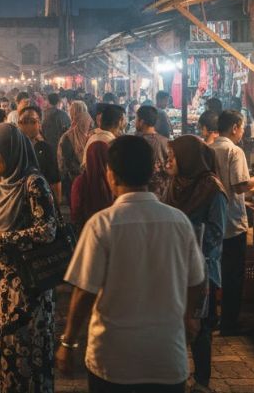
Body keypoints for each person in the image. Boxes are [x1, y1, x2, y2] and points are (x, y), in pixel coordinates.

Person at [57, 135, 206, 392]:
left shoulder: (102, 224)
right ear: (150, 172)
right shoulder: (179, 222)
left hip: (114, 361)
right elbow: (197, 281)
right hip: (166, 358)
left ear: (111, 175)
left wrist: (68, 342)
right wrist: (187, 317)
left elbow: (84, 291)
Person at [0, 123, 58, 392]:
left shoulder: (33, 183)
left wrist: (4, 238)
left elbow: (48, 230)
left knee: (21, 351)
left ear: (12, 151)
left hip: (24, 284)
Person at [163, 135, 227, 392]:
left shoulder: (213, 189)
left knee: (201, 330)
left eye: (173, 156)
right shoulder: (174, 184)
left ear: (188, 158)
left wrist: (186, 243)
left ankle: (202, 381)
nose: (168, 161)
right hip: (172, 267)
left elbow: (215, 234)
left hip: (203, 269)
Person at [211, 110, 254, 335]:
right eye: (243, 126)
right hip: (232, 221)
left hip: (213, 220)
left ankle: (212, 317)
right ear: (235, 127)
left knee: (214, 271)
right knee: (233, 274)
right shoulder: (234, 151)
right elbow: (240, 186)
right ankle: (229, 322)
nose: (243, 131)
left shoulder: (209, 148)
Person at [18, 106, 62, 202]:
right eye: (24, 122)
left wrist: (56, 206)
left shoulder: (46, 149)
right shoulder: (14, 148)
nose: (28, 126)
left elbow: (55, 181)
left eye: (32, 121)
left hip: (42, 202)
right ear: (18, 124)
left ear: (39, 124)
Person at [70, 141, 112, 230]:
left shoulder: (80, 181)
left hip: (87, 229)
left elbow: (76, 210)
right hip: (111, 228)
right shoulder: (113, 179)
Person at [58, 100, 92, 206]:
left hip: (74, 183)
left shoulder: (67, 137)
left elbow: (63, 164)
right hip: (86, 181)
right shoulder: (91, 135)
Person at [135, 105, 169, 197]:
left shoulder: (134, 142)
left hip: (139, 192)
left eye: (136, 119)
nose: (135, 122)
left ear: (141, 122)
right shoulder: (165, 142)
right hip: (161, 193)